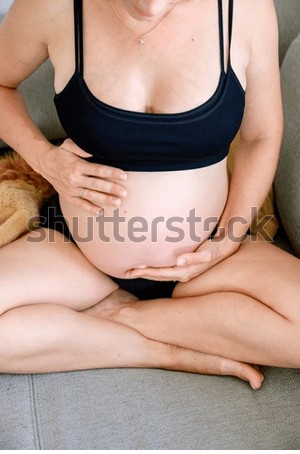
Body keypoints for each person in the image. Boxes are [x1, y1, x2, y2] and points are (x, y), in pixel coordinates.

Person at [0, 0, 299, 390]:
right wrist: (46, 160)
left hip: (205, 260)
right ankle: (162, 350)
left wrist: (224, 243)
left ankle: (128, 318)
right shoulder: (53, 5)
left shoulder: (244, 8)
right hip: (77, 254)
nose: (150, 6)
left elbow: (260, 138)